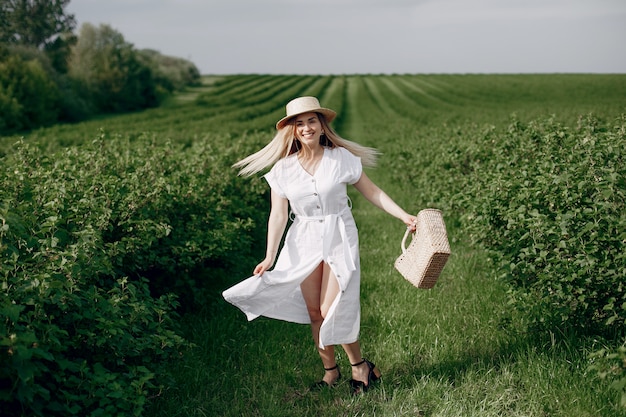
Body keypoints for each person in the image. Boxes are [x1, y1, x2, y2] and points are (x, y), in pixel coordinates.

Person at [223, 96, 417, 395]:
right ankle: (330, 372)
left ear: (322, 125)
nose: (306, 128)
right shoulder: (283, 170)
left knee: (332, 307)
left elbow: (372, 192)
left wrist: (403, 215)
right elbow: (278, 215)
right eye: (299, 124)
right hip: (304, 239)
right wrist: (270, 255)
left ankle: (359, 366)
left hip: (339, 233)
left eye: (311, 121)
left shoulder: (341, 159)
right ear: (292, 131)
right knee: (315, 312)